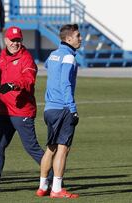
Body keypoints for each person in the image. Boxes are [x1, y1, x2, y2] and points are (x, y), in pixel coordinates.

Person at [0, 26, 48, 194]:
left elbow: (29, 81)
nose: (15, 43)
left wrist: (15, 85)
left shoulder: (27, 59)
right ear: (6, 40)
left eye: (18, 40)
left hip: (22, 111)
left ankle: (54, 177)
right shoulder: (2, 56)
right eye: (12, 40)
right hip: (5, 111)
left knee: (32, 148)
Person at [36, 24, 81, 199]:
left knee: (51, 148)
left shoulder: (53, 54)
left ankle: (42, 186)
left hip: (49, 108)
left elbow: (48, 65)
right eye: (78, 36)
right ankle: (56, 189)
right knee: (63, 148)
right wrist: (73, 108)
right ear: (68, 39)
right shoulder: (69, 57)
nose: (80, 38)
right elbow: (65, 83)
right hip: (63, 107)